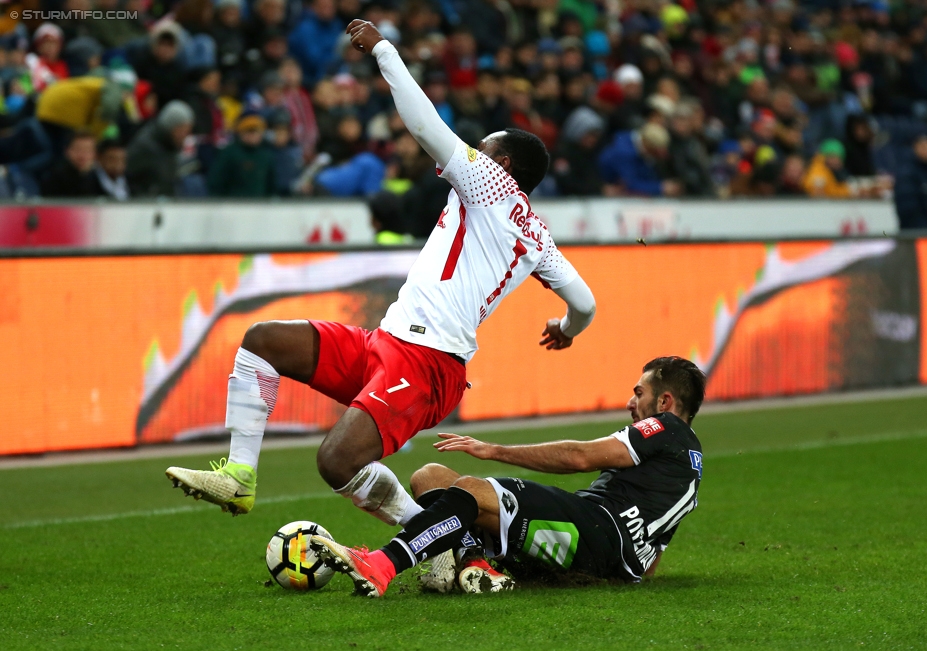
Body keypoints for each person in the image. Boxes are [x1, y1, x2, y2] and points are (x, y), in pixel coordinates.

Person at [165, 21, 597, 550]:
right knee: (263, 341)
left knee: (336, 461)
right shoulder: (539, 234)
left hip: (428, 361)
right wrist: (566, 328)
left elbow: (423, 124)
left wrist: (385, 51)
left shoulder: (491, 184)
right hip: (386, 344)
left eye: (481, 149)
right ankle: (239, 477)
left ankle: (442, 543)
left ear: (502, 165)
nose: (467, 155)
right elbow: (585, 302)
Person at [311, 356, 706, 597]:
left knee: (470, 489)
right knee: (431, 476)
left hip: (599, 531)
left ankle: (383, 565)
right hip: (604, 554)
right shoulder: (687, 463)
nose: (630, 403)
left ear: (666, 402)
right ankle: (475, 564)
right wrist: (628, 575)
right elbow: (654, 551)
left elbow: (580, 456)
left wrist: (494, 450)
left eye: (639, 393)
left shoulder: (666, 426)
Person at [126, 100, 195, 197]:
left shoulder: (171, 147)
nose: (185, 136)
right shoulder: (145, 147)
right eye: (182, 130)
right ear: (170, 127)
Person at [207, 110, 277, 197]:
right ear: (241, 132)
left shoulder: (266, 155)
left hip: (260, 207)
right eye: (250, 131)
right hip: (234, 206)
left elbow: (272, 186)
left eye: (257, 131)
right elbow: (216, 183)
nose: (254, 135)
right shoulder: (229, 153)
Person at [40, 131, 101, 197]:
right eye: (78, 149)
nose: (82, 155)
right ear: (67, 151)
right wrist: (84, 176)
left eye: (88, 150)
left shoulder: (101, 174)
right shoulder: (54, 175)